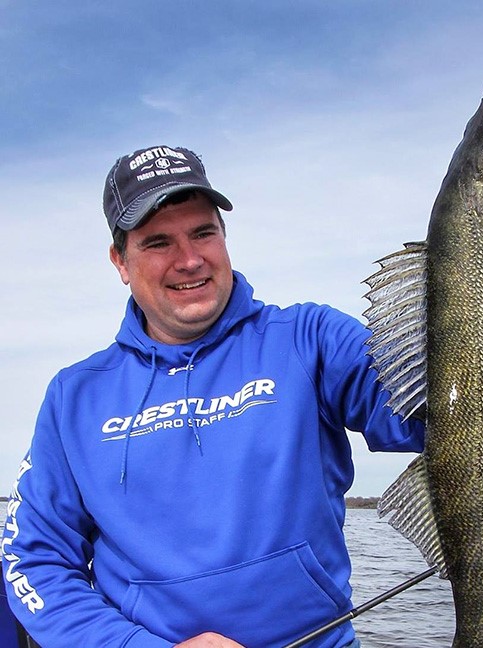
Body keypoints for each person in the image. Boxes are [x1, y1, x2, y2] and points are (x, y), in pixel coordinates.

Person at [1, 145, 424, 648]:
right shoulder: (75, 396)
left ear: (224, 237)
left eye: (203, 232)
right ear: (120, 261)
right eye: (158, 242)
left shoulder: (311, 338)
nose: (189, 259)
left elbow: (439, 412)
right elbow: (34, 558)